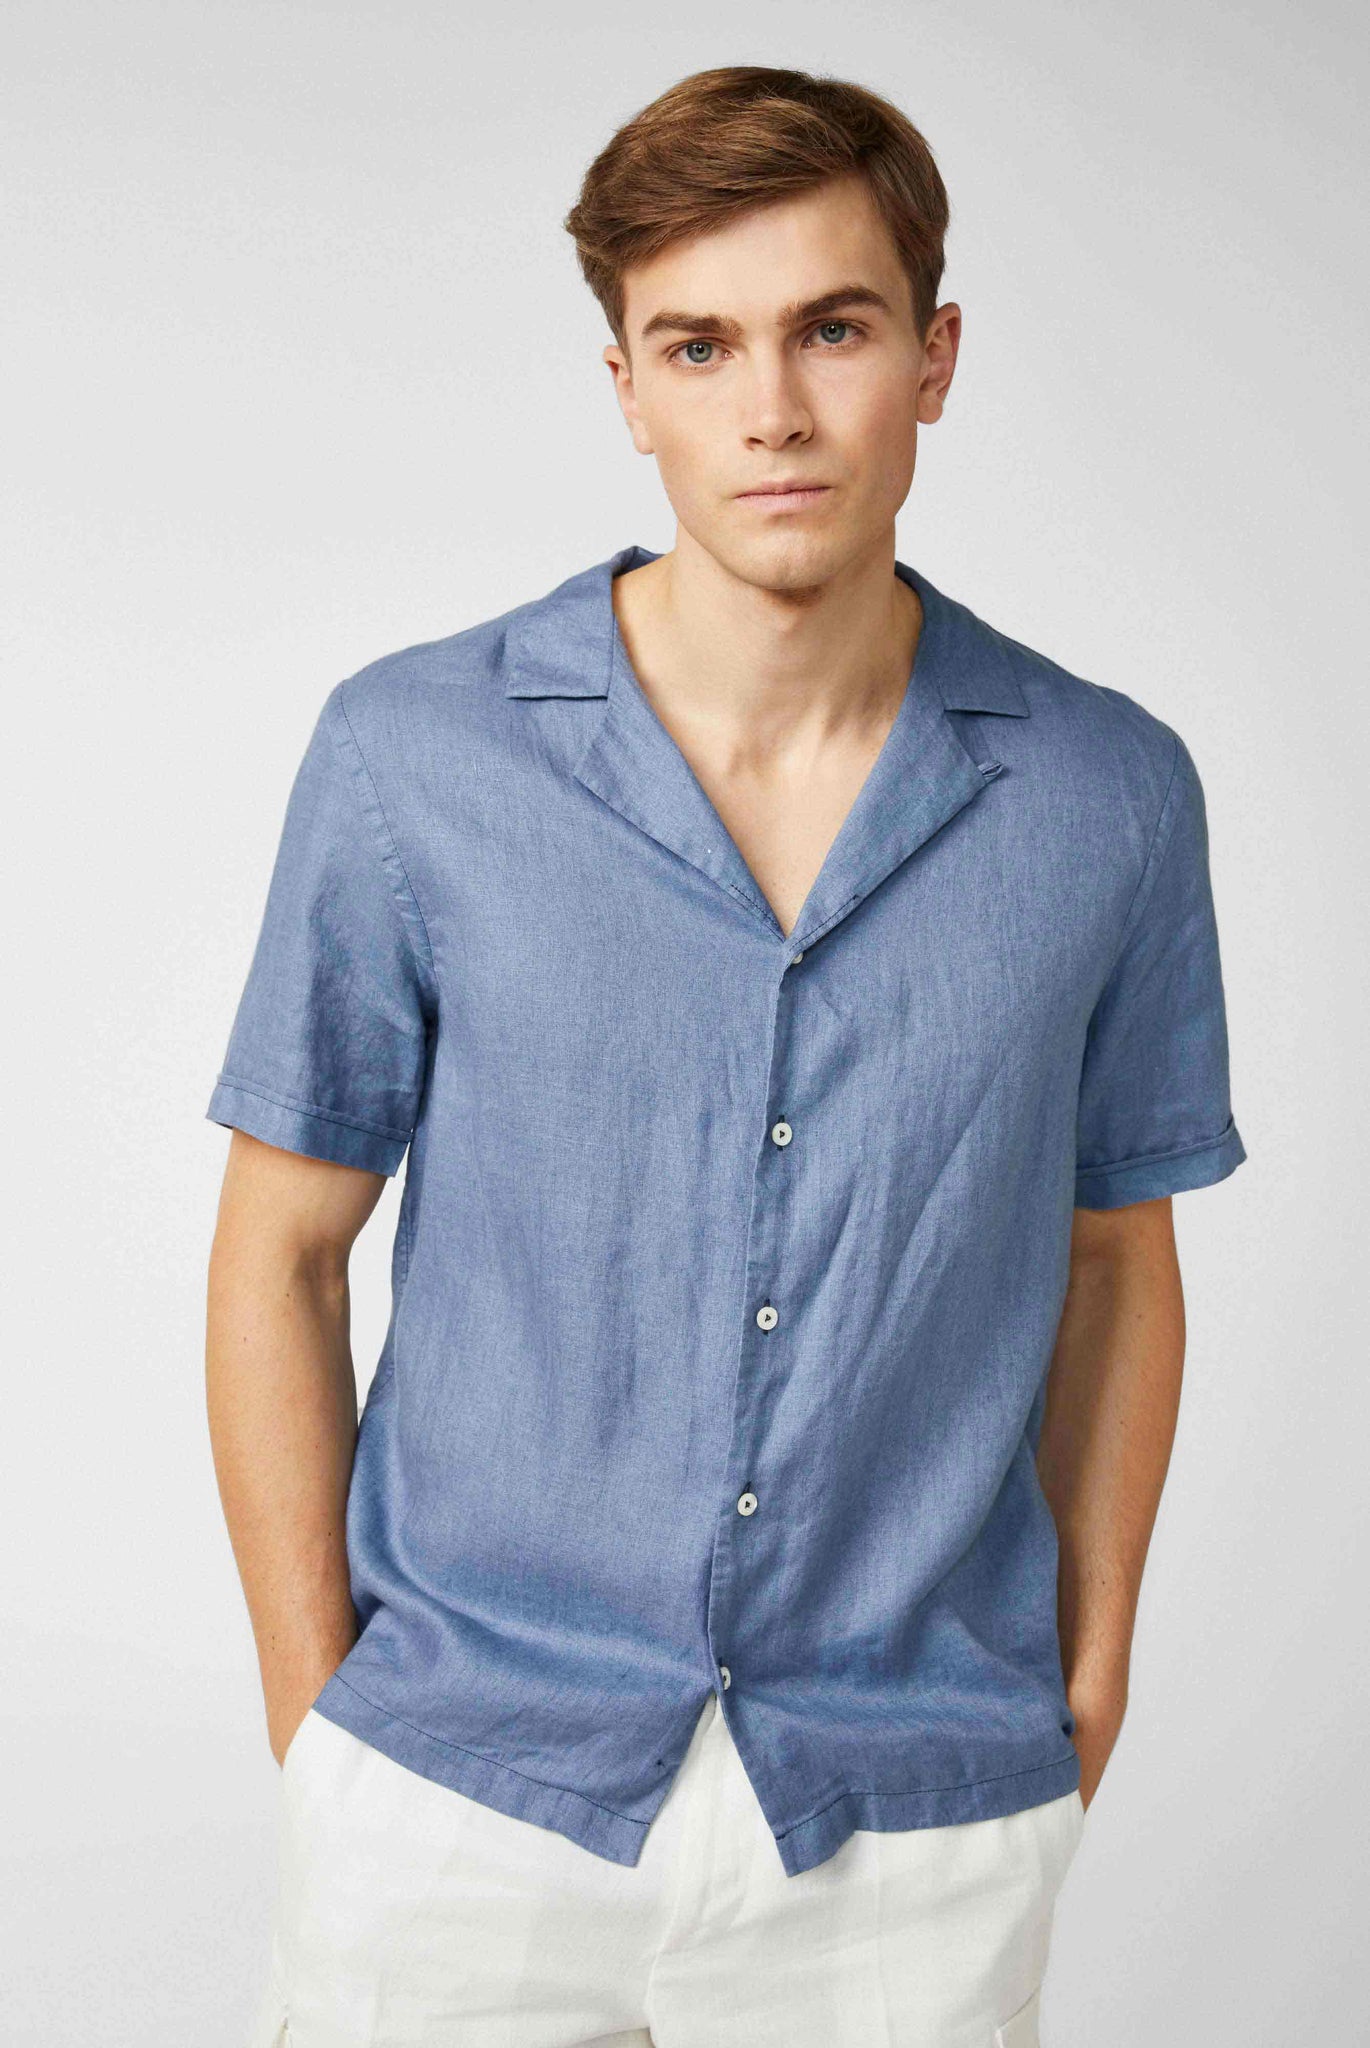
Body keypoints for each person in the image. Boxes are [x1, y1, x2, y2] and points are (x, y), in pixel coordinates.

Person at [204, 64, 1247, 2048]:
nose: (769, 411)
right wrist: (321, 1722)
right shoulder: (413, 759)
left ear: (933, 359)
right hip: (459, 1792)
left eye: (829, 330)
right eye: (698, 346)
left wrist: (1086, 1680)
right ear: (627, 388)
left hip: (909, 1815)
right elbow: (279, 1252)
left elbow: (1119, 1258)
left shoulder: (1104, 795)